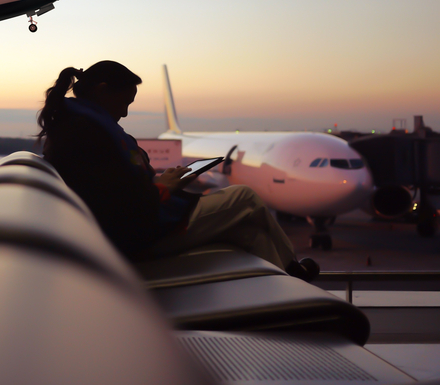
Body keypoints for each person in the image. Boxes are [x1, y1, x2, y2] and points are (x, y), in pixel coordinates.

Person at [38, 61, 318, 280]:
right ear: (101, 90)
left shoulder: (76, 126)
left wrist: (162, 184)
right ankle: (293, 272)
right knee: (245, 198)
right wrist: (163, 188)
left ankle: (284, 296)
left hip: (125, 231)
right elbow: (116, 205)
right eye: (125, 103)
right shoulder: (86, 133)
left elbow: (111, 190)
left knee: (253, 233)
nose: (124, 113)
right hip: (136, 237)